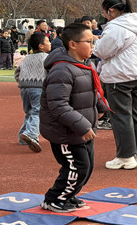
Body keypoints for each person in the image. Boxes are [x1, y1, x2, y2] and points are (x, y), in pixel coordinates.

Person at [39, 23, 107, 212]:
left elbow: (91, 91)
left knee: (87, 166)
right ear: (73, 44)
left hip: (81, 127)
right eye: (89, 42)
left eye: (94, 41)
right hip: (65, 131)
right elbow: (58, 105)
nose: (93, 46)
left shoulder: (85, 64)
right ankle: (54, 199)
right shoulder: (62, 70)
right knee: (77, 167)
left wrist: (101, 108)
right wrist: (83, 126)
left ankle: (68, 195)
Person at [93, 0, 137, 170]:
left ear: (110, 11)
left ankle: (125, 156)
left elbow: (101, 51)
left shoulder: (116, 27)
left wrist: (97, 44)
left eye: (104, 12)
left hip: (120, 76)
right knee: (136, 114)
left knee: (121, 116)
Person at [14, 35, 51, 153]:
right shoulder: (47, 58)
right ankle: (31, 134)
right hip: (38, 87)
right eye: (48, 41)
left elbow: (17, 72)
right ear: (41, 46)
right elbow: (51, 73)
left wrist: (21, 82)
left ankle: (23, 135)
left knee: (29, 111)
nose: (50, 43)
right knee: (38, 112)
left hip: (24, 87)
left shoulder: (27, 58)